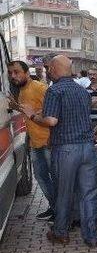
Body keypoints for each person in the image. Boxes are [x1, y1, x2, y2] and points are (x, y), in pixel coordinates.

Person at [21, 55, 97, 247]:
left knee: (64, 192)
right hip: (88, 148)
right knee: (89, 193)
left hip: (66, 150)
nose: (48, 71)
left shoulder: (54, 90)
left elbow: (51, 121)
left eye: (49, 68)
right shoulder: (82, 91)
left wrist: (31, 115)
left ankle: (60, 232)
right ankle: (91, 237)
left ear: (55, 70)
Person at [8, 60, 54, 220]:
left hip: (48, 142)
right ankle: (54, 207)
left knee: (54, 179)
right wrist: (16, 107)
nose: (13, 76)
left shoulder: (40, 87)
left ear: (27, 73)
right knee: (41, 178)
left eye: (16, 72)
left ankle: (61, 212)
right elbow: (29, 111)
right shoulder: (22, 90)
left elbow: (52, 111)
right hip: (35, 144)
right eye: (10, 73)